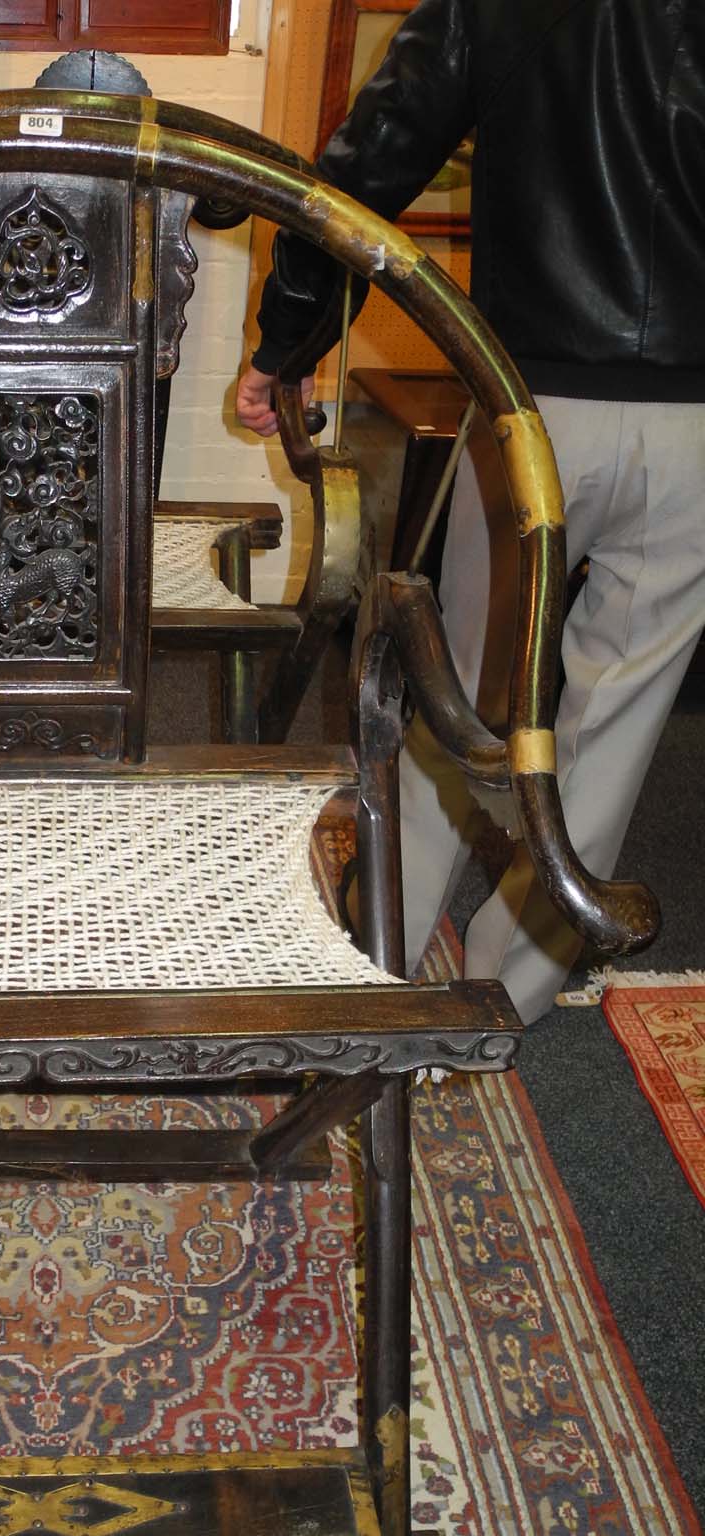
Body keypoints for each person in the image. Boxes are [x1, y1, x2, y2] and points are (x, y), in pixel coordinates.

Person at [237, 0, 705, 1022]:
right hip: (699, 425)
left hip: (527, 411)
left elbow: (366, 169)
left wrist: (290, 339)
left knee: (467, 697)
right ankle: (500, 1000)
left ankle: (382, 953)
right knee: (607, 730)